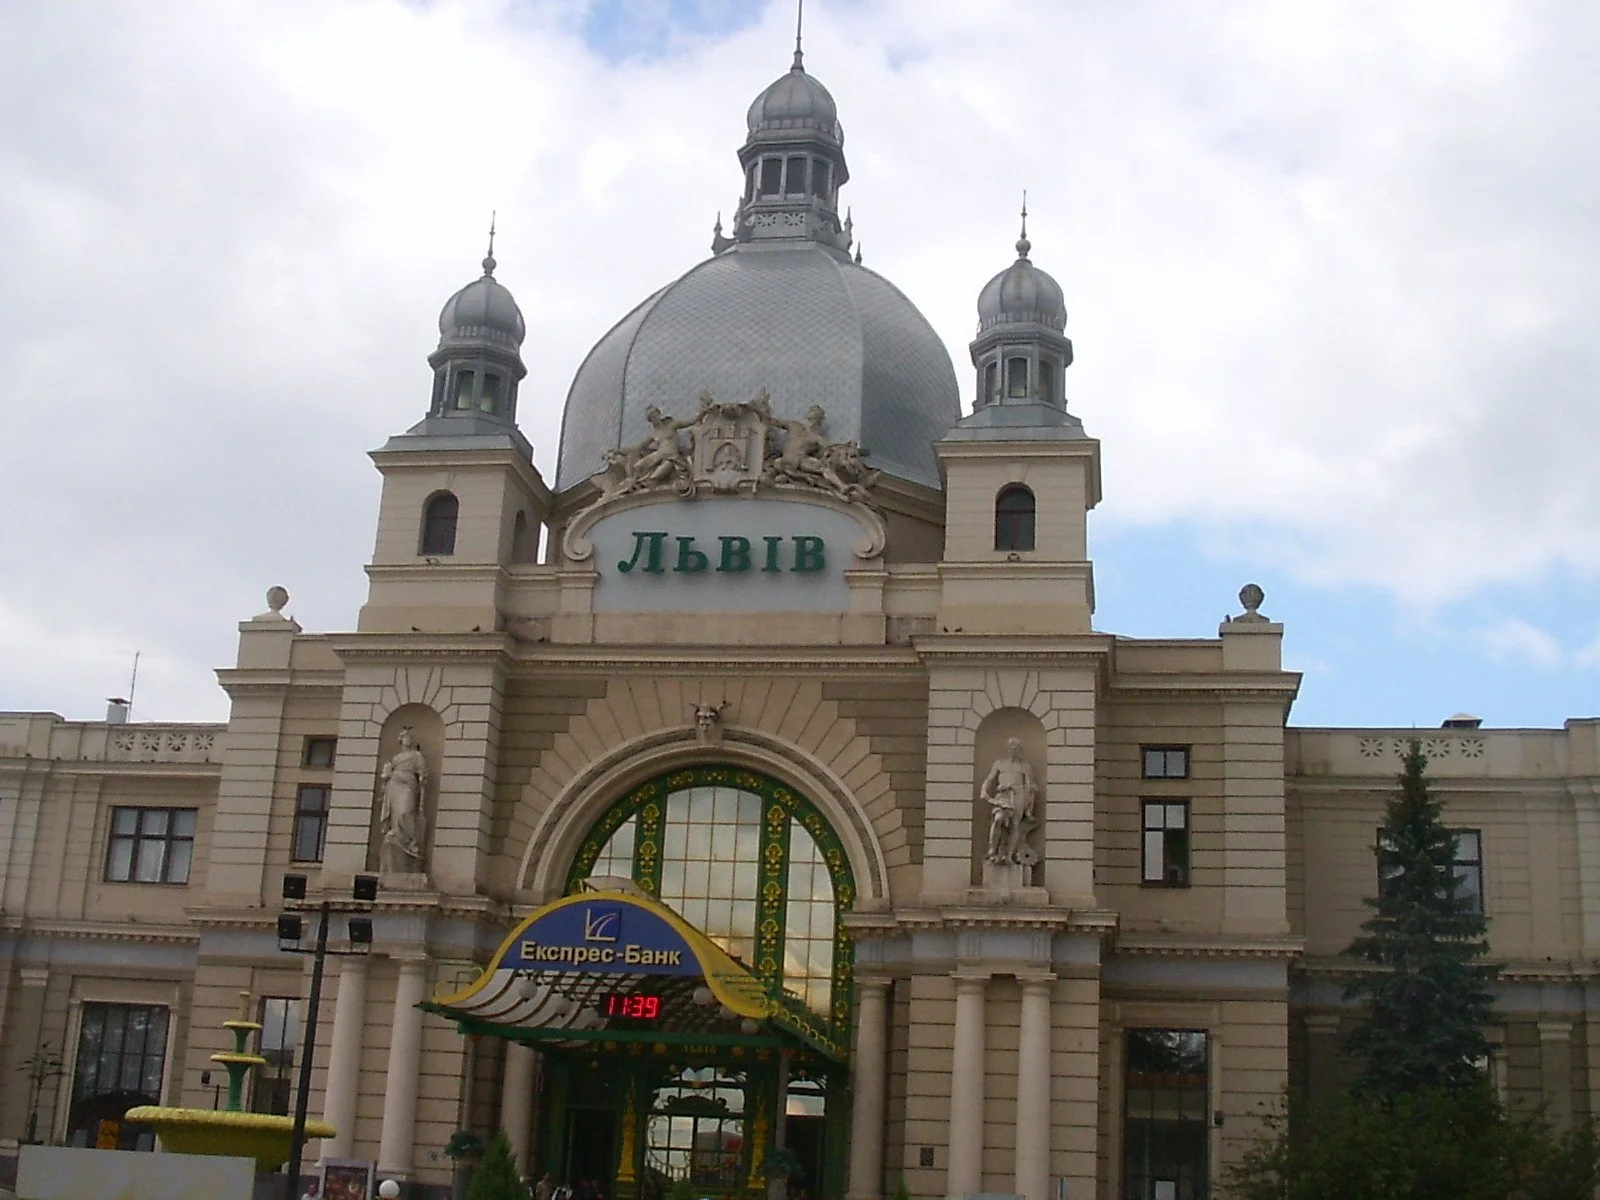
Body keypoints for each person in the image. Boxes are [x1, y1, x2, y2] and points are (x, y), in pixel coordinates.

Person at [379, 727, 428, 872]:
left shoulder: (417, 755)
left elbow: (422, 771)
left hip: (408, 785)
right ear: (401, 740)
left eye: (410, 738)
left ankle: (410, 841)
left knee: (405, 812)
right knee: (396, 814)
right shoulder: (395, 758)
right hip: (394, 785)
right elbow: (387, 773)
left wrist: (422, 778)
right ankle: (397, 833)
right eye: (405, 737)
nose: (408, 740)